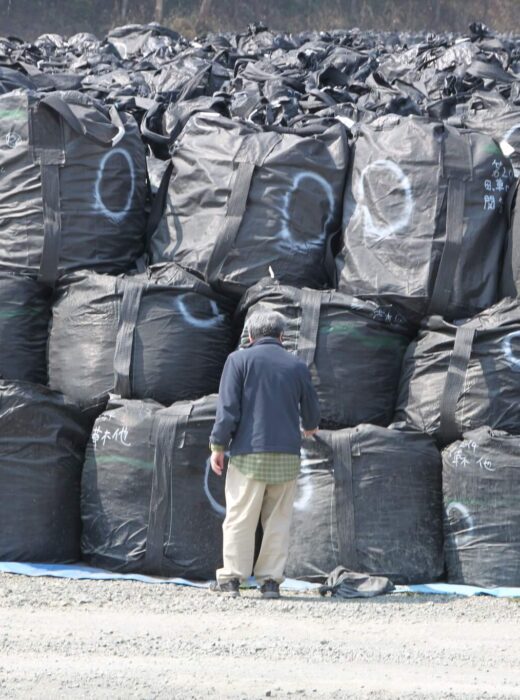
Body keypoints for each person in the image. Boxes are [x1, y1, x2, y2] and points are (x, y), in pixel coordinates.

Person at [209, 310, 320, 599]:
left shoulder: (238, 361)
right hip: (286, 456)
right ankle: (270, 582)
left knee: (240, 516)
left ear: (249, 336)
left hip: (248, 455)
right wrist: (308, 428)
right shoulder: (296, 365)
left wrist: (218, 446)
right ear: (282, 337)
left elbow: (228, 411)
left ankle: (232, 580)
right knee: (277, 519)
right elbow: (311, 417)